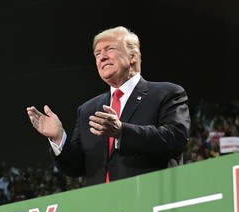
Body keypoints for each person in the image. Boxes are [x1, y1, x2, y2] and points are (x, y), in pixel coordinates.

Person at [27, 26, 190, 186]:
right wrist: (58, 138)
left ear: (133, 56)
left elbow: (176, 139)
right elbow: (76, 168)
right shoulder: (87, 110)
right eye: (97, 54)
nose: (102, 57)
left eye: (109, 49)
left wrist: (122, 132)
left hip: (148, 196)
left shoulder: (167, 93)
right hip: (102, 202)